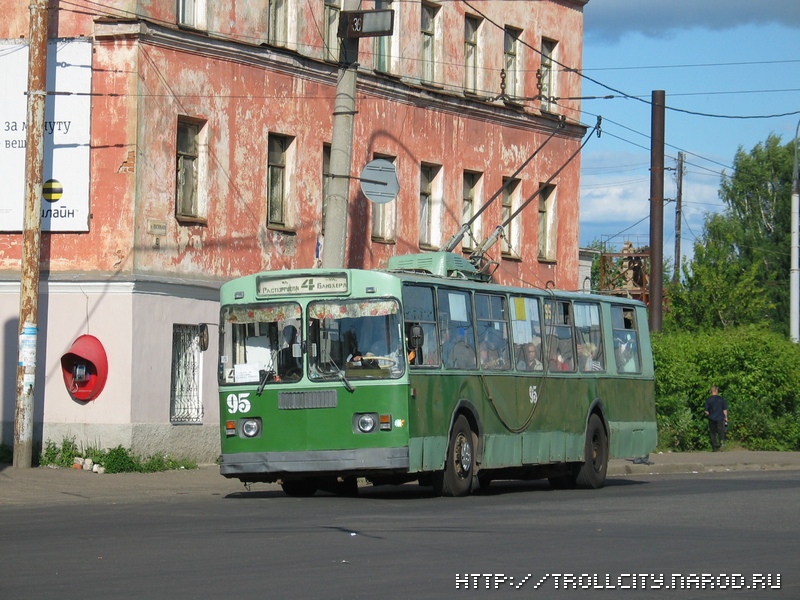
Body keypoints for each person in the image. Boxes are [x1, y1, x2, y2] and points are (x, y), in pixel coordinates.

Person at [704, 385, 728, 452]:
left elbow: (706, 411)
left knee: (712, 433)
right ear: (716, 391)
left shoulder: (708, 400)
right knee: (721, 431)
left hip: (712, 418)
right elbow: (725, 410)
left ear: (710, 391)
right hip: (720, 417)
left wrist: (707, 414)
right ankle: (722, 441)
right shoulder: (721, 399)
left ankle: (715, 447)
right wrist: (726, 417)